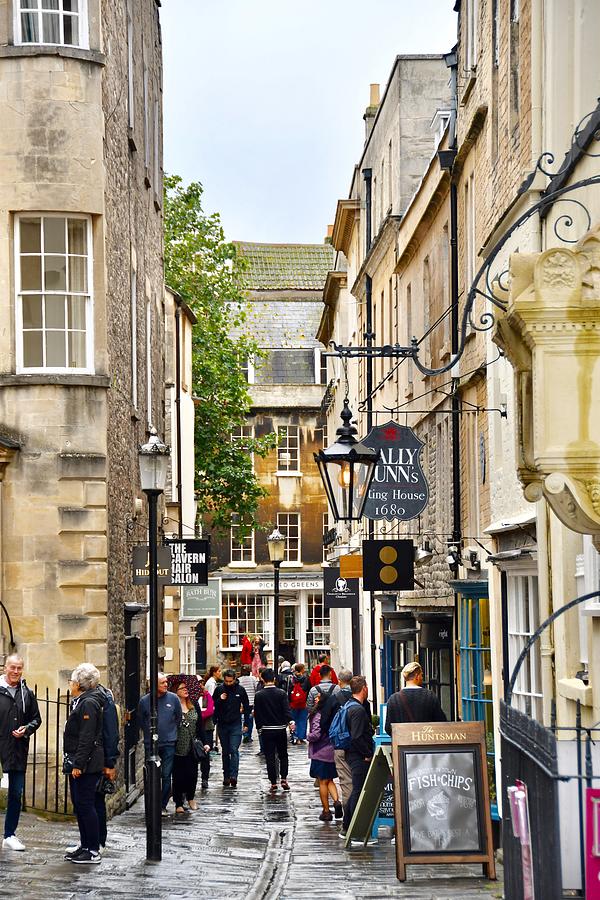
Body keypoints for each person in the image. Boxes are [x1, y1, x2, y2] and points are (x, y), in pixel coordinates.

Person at [63, 663, 105, 864]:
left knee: (86, 805)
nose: (70, 685)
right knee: (80, 805)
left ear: (79, 683)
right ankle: (85, 844)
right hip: (81, 761)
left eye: (71, 681)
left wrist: (78, 764)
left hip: (87, 764)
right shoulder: (83, 701)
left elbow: (86, 737)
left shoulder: (88, 703)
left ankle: (93, 849)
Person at [0, 654, 41, 852]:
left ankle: (9, 835)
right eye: (12, 668)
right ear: (5, 668)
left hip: (17, 749)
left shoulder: (27, 693)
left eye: (19, 668)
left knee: (16, 794)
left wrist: (27, 728)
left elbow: (37, 719)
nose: (16, 671)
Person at [138, 672, 182, 814]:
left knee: (166, 775)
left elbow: (178, 718)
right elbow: (141, 721)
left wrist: (170, 732)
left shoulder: (173, 698)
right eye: (163, 682)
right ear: (154, 685)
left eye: (166, 682)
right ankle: (152, 804)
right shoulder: (145, 701)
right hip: (151, 744)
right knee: (151, 775)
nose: (166, 684)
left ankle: (162, 805)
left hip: (169, 742)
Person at [341, 676, 374, 839]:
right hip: (358, 756)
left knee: (356, 790)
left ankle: (346, 826)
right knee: (358, 791)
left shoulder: (349, 705)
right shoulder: (358, 710)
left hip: (351, 754)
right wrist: (367, 754)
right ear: (364, 689)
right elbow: (356, 737)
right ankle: (354, 831)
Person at [171, 678, 210, 813]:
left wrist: (205, 743)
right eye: (182, 688)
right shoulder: (173, 706)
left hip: (192, 746)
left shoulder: (194, 705)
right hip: (177, 745)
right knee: (178, 776)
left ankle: (191, 798)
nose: (185, 690)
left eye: (186, 688)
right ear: (176, 692)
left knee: (192, 774)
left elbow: (200, 726)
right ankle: (178, 803)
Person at [253, 668, 295, 792]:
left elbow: (258, 714)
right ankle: (283, 778)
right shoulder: (281, 693)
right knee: (283, 755)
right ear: (274, 679)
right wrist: (290, 721)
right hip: (280, 728)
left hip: (266, 730)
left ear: (262, 679)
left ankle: (273, 782)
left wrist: (259, 728)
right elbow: (286, 710)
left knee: (270, 756)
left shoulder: (259, 695)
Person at [307, 691, 342, 822]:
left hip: (320, 751)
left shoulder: (318, 715)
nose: (316, 699)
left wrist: (307, 737)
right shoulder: (333, 714)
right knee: (330, 780)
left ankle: (326, 811)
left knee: (322, 782)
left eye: (318, 697)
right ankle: (337, 802)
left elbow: (316, 734)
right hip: (331, 750)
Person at [212, 669, 250, 787]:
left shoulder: (240, 690)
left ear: (234, 679)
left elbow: (247, 706)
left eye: (230, 681)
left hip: (235, 723)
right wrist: (220, 700)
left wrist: (246, 724)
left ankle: (234, 775)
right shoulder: (219, 689)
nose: (228, 683)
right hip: (222, 724)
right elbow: (213, 705)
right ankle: (226, 776)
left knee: (234, 749)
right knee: (225, 751)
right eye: (226, 681)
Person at [385, 661, 447, 733]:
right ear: (417, 676)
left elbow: (388, 728)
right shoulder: (430, 696)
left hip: (403, 742)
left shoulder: (393, 699)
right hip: (425, 742)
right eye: (421, 675)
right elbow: (441, 722)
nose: (422, 678)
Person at [328, 668, 354, 810]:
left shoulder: (334, 698)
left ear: (339, 680)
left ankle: (349, 815)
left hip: (340, 743)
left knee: (345, 780)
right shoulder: (358, 697)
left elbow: (325, 720)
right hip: (357, 743)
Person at [197, 677, 215, 786]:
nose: (199, 685)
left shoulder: (207, 695)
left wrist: (198, 716)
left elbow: (209, 710)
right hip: (194, 729)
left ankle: (205, 778)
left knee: (205, 753)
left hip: (206, 728)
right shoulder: (191, 697)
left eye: (200, 683)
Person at [288, 663, 310, 745]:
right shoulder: (306, 678)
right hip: (303, 702)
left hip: (293, 703)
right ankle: (301, 737)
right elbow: (309, 689)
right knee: (302, 720)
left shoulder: (292, 678)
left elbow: (289, 691)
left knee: (294, 720)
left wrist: (289, 701)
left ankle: (295, 736)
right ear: (302, 669)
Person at [238, 664, 258, 743]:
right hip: (251, 702)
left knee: (242, 719)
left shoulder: (239, 680)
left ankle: (244, 733)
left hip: (241, 703)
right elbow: (256, 689)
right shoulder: (253, 679)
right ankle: (248, 735)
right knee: (250, 719)